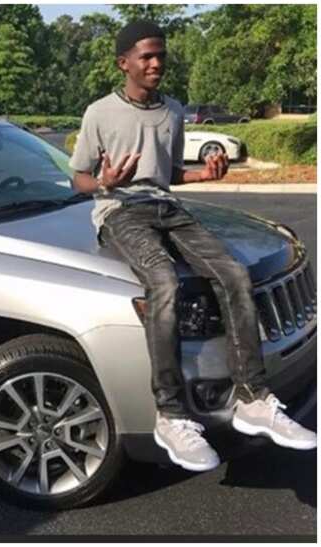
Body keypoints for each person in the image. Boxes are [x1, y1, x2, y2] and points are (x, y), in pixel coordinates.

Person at [68, 20, 315, 472]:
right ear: (124, 63)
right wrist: (104, 182)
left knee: (235, 273)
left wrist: (205, 175)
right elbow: (78, 178)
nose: (157, 63)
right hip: (120, 211)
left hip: (167, 208)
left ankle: (252, 400)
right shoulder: (99, 112)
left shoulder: (173, 110)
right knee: (163, 281)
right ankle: (170, 413)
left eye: (161, 55)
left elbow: (169, 173)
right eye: (146, 56)